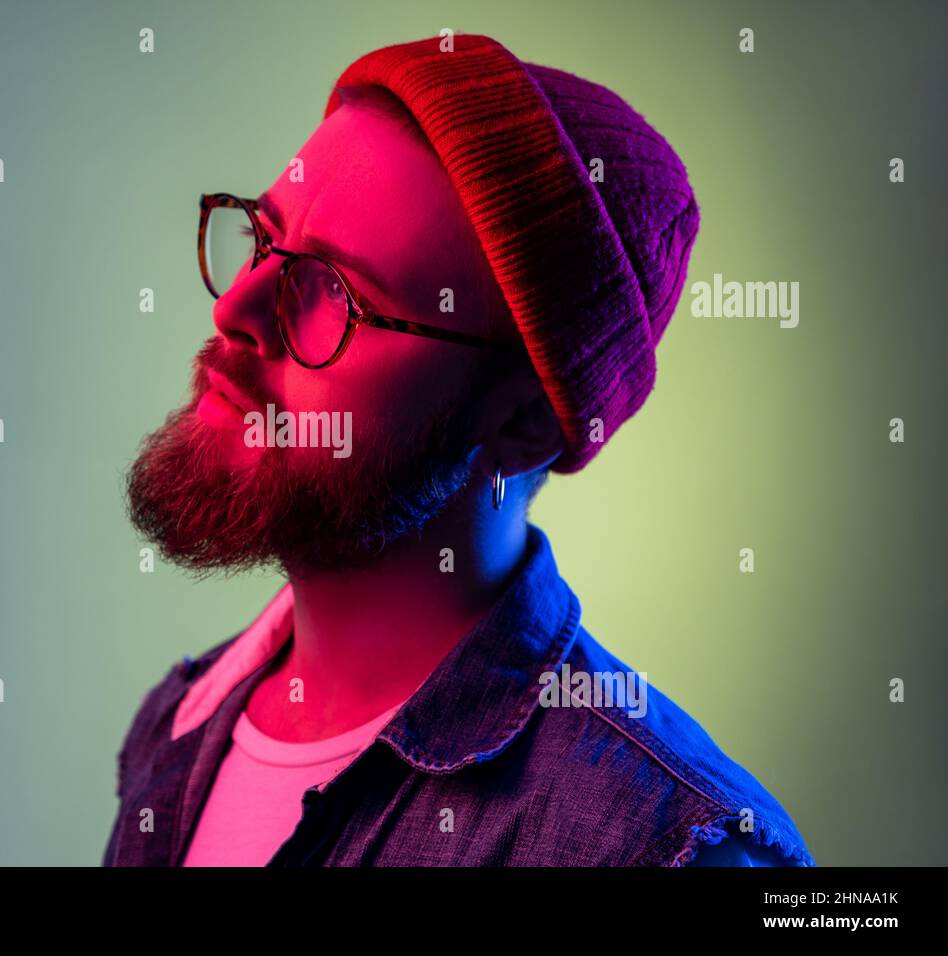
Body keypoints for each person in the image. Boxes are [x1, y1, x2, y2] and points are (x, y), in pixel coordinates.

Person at [105, 33, 812, 867]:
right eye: (264, 237)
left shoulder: (669, 846)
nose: (239, 310)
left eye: (333, 291)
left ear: (522, 424)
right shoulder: (175, 723)